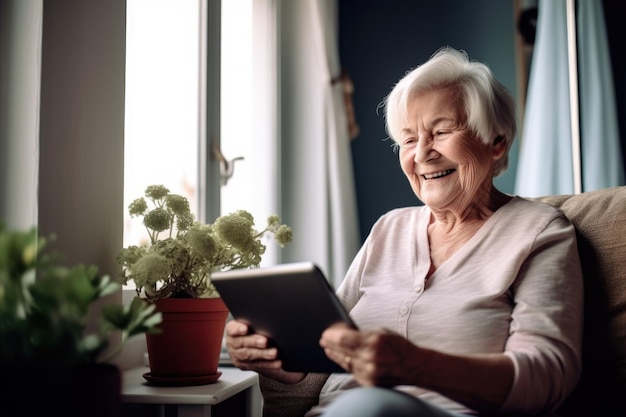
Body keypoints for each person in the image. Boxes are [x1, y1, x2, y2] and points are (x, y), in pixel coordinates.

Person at [225, 47, 584, 417]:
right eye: (409, 139)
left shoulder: (539, 231)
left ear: (496, 143)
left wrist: (416, 366)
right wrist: (276, 357)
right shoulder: (389, 228)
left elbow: (548, 375)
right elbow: (327, 351)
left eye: (441, 131)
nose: (423, 154)